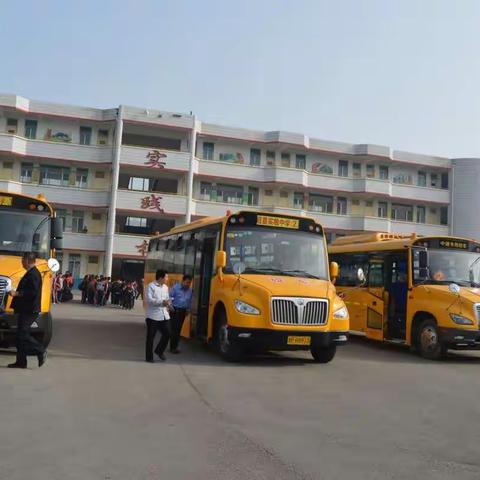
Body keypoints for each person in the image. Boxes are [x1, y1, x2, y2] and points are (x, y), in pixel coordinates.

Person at [8, 252, 47, 369]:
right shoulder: (30, 273)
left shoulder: (34, 274)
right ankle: (21, 362)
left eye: (22, 260)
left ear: (28, 261)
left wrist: (17, 293)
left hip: (30, 310)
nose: (21, 262)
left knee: (23, 334)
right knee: (19, 336)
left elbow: (32, 292)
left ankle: (40, 350)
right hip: (25, 308)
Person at [145, 269, 171, 363]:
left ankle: (159, 351)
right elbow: (149, 300)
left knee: (168, 333)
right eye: (166, 277)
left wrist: (168, 303)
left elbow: (167, 298)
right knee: (151, 337)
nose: (167, 279)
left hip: (164, 315)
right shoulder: (151, 286)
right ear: (161, 277)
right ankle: (149, 357)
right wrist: (161, 302)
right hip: (153, 316)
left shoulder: (165, 287)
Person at [169, 274, 193, 354]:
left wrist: (188, 309)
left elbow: (189, 301)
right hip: (175, 310)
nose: (188, 284)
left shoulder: (189, 290)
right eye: (187, 282)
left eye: (189, 283)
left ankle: (174, 346)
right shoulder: (176, 288)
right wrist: (170, 305)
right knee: (175, 329)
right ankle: (173, 347)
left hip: (183, 312)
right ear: (183, 281)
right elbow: (170, 297)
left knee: (178, 329)